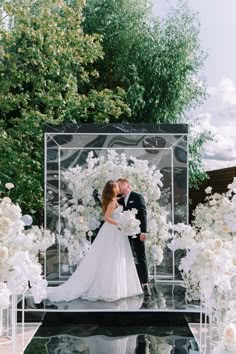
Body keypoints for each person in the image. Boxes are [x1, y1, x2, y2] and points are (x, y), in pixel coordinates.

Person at [47, 180, 143, 302]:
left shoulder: (114, 201)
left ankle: (117, 287)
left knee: (117, 256)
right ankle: (110, 288)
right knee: (111, 257)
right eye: (117, 187)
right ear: (113, 189)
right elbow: (106, 217)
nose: (119, 188)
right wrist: (120, 224)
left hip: (118, 232)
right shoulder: (112, 203)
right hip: (113, 230)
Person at [117, 178, 151, 297]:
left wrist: (144, 231)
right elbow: (109, 201)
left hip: (137, 232)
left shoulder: (137, 196)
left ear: (126, 185)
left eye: (120, 185)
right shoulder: (121, 199)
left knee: (140, 256)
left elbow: (143, 213)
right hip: (126, 233)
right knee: (128, 257)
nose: (119, 187)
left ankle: (145, 284)